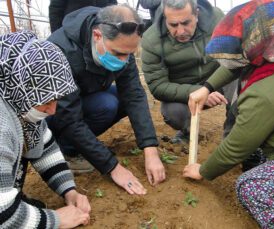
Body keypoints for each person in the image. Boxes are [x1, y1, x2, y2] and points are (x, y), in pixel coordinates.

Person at [183, 0, 274, 228]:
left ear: (257, 45)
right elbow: (238, 63)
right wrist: (206, 87)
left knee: (248, 185)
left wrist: (203, 170)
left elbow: (237, 145)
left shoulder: (265, 93)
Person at [47, 5, 166, 195]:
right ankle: (66, 150)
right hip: (54, 113)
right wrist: (113, 167)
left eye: (130, 54)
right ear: (97, 36)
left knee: (122, 100)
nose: (124, 60)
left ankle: (76, 145)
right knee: (107, 105)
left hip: (85, 95)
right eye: (118, 53)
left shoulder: (121, 46)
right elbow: (68, 118)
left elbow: (134, 94)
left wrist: (150, 150)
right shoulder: (61, 52)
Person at [0, 31, 91, 228]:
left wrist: (69, 190)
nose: (53, 110)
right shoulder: (2, 124)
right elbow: (2, 215)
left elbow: (45, 147)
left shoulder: (16, 98)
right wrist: (55, 220)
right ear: (22, 87)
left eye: (55, 99)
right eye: (46, 101)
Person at [141, 0, 230, 144]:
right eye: (173, 25)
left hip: (218, 80)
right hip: (185, 90)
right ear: (165, 18)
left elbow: (236, 56)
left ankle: (234, 135)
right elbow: (157, 86)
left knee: (241, 83)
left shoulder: (217, 19)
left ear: (197, 14)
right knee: (174, 113)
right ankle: (187, 132)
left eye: (186, 23)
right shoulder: (152, 40)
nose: (181, 31)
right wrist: (200, 91)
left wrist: (210, 86)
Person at [49, 0, 118, 33]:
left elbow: (112, 7)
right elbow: (55, 10)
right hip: (72, 34)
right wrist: (57, 34)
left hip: (100, 32)